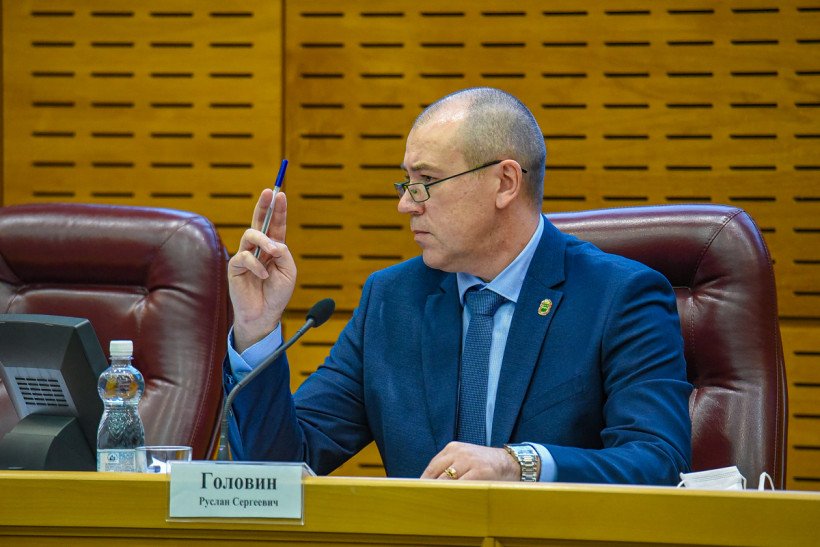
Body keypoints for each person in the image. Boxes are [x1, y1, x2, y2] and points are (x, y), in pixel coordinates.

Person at [224, 87, 692, 484]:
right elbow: (277, 469)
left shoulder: (619, 297)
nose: (407, 204)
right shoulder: (393, 299)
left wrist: (519, 464)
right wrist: (257, 329)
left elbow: (658, 461)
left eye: (426, 180)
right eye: (406, 182)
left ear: (505, 182)